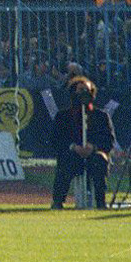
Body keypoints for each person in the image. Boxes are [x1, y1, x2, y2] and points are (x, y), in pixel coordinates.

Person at [51, 76, 118, 208]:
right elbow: (56, 140)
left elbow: (109, 140)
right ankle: (58, 201)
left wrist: (93, 147)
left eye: (87, 90)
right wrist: (73, 147)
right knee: (66, 161)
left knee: (99, 160)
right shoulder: (62, 116)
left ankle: (100, 201)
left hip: (94, 154)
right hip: (73, 154)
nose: (84, 94)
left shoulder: (101, 116)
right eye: (80, 90)